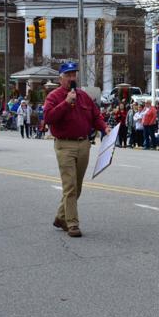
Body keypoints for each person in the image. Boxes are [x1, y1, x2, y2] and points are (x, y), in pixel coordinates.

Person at [44, 61, 110, 238]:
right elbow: (49, 118)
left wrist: (105, 128)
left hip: (84, 144)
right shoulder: (54, 96)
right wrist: (66, 103)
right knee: (70, 185)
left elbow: (96, 116)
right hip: (64, 145)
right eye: (68, 75)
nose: (72, 78)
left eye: (74, 74)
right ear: (61, 78)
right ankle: (72, 224)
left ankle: (60, 216)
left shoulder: (84, 96)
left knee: (77, 187)